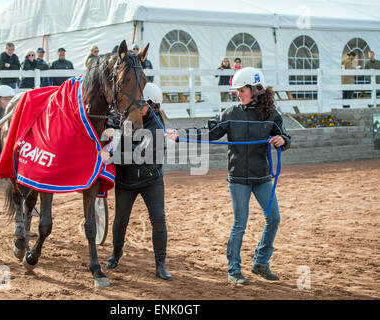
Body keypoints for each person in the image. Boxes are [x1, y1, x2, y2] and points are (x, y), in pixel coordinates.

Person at [166, 67, 291, 285]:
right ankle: (233, 269)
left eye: (242, 90)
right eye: (237, 91)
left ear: (256, 90)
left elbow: (283, 135)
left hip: (262, 177)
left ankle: (261, 262)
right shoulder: (231, 114)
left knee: (274, 218)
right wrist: (181, 135)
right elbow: (209, 132)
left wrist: (283, 141)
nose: (238, 94)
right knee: (239, 224)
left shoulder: (272, 115)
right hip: (238, 179)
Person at [106, 82, 173, 281]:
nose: (136, 106)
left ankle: (160, 263)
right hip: (126, 181)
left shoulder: (157, 127)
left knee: (158, 221)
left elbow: (135, 154)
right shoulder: (124, 118)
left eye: (141, 103)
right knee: (120, 221)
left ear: (152, 106)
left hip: (151, 180)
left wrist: (111, 155)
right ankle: (116, 253)